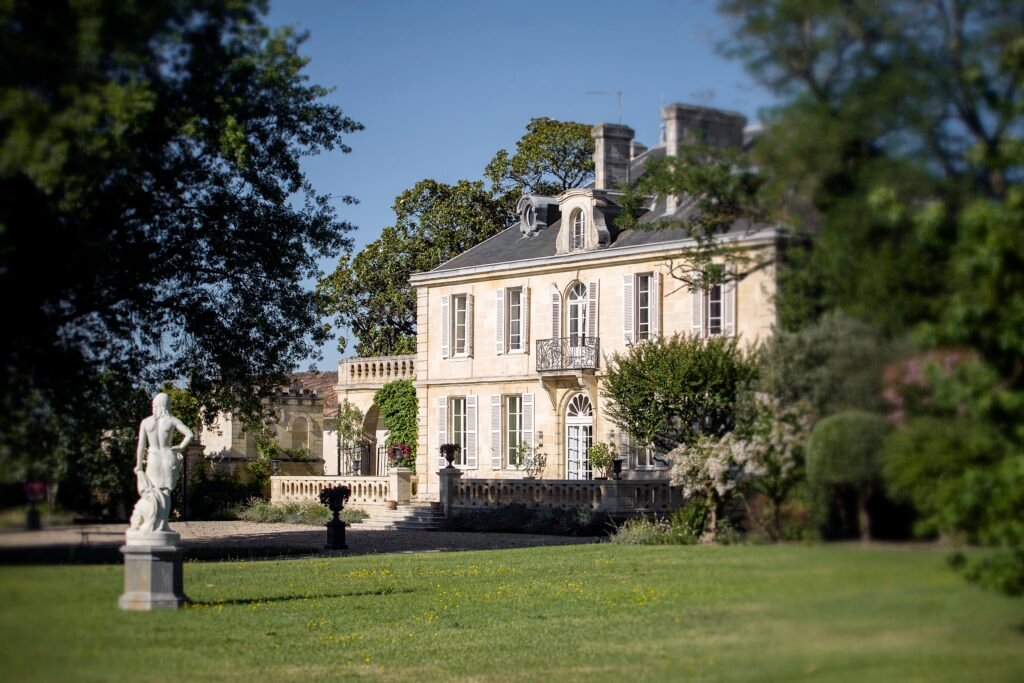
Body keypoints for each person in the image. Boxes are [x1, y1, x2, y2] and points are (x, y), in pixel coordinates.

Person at [129, 392, 193, 534]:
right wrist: (180, 447)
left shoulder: (146, 422)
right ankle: (162, 525)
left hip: (153, 458)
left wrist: (139, 465)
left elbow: (141, 446)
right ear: (167, 405)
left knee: (153, 491)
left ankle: (153, 524)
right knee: (165, 492)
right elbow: (189, 434)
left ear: (155, 405)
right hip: (167, 456)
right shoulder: (171, 420)